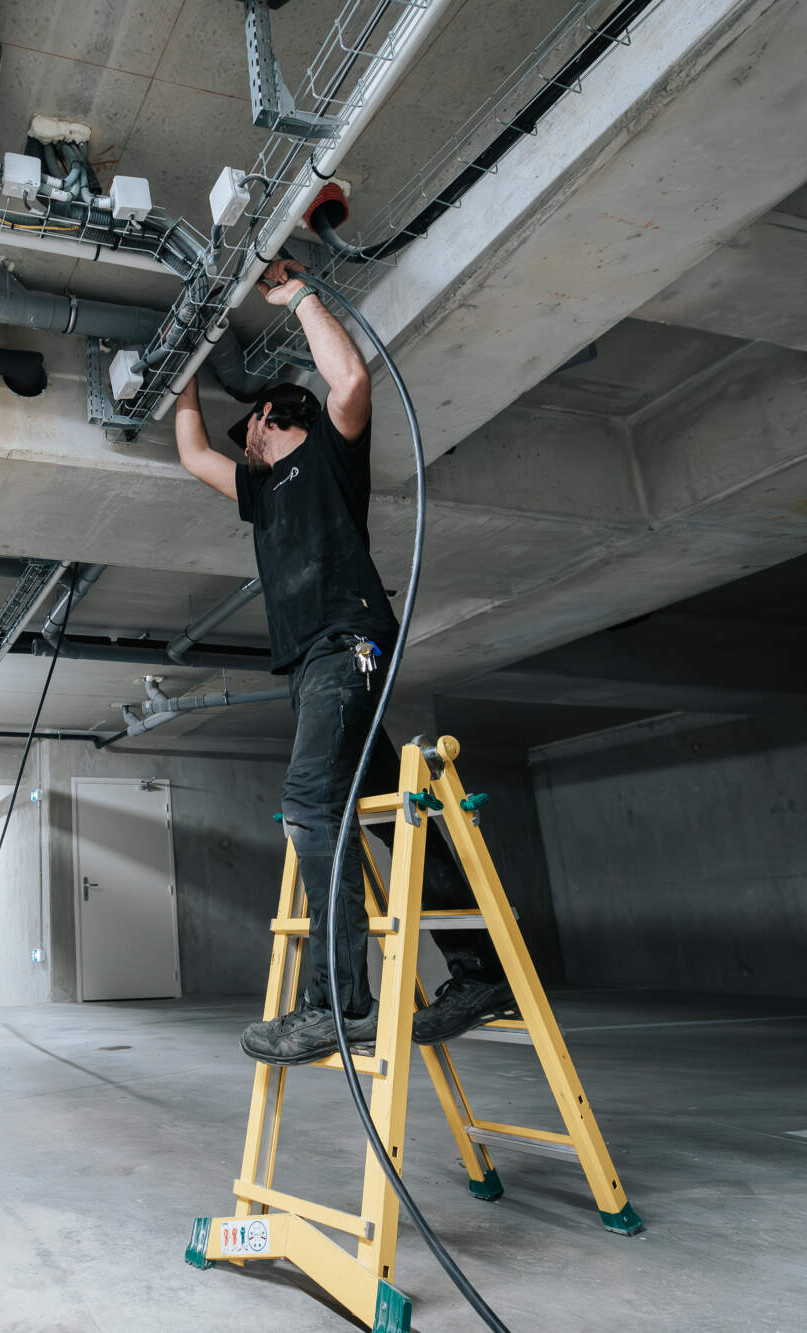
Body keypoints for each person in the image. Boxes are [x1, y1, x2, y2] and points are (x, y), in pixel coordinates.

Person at [174, 256, 516, 1066]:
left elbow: (352, 382)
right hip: (313, 668)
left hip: (346, 644)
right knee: (399, 813)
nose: (242, 443)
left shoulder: (325, 453)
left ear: (270, 417)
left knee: (307, 803)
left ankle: (339, 1003)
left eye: (249, 429)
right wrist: (182, 381)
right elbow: (192, 454)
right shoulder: (260, 495)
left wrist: (298, 298)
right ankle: (480, 972)